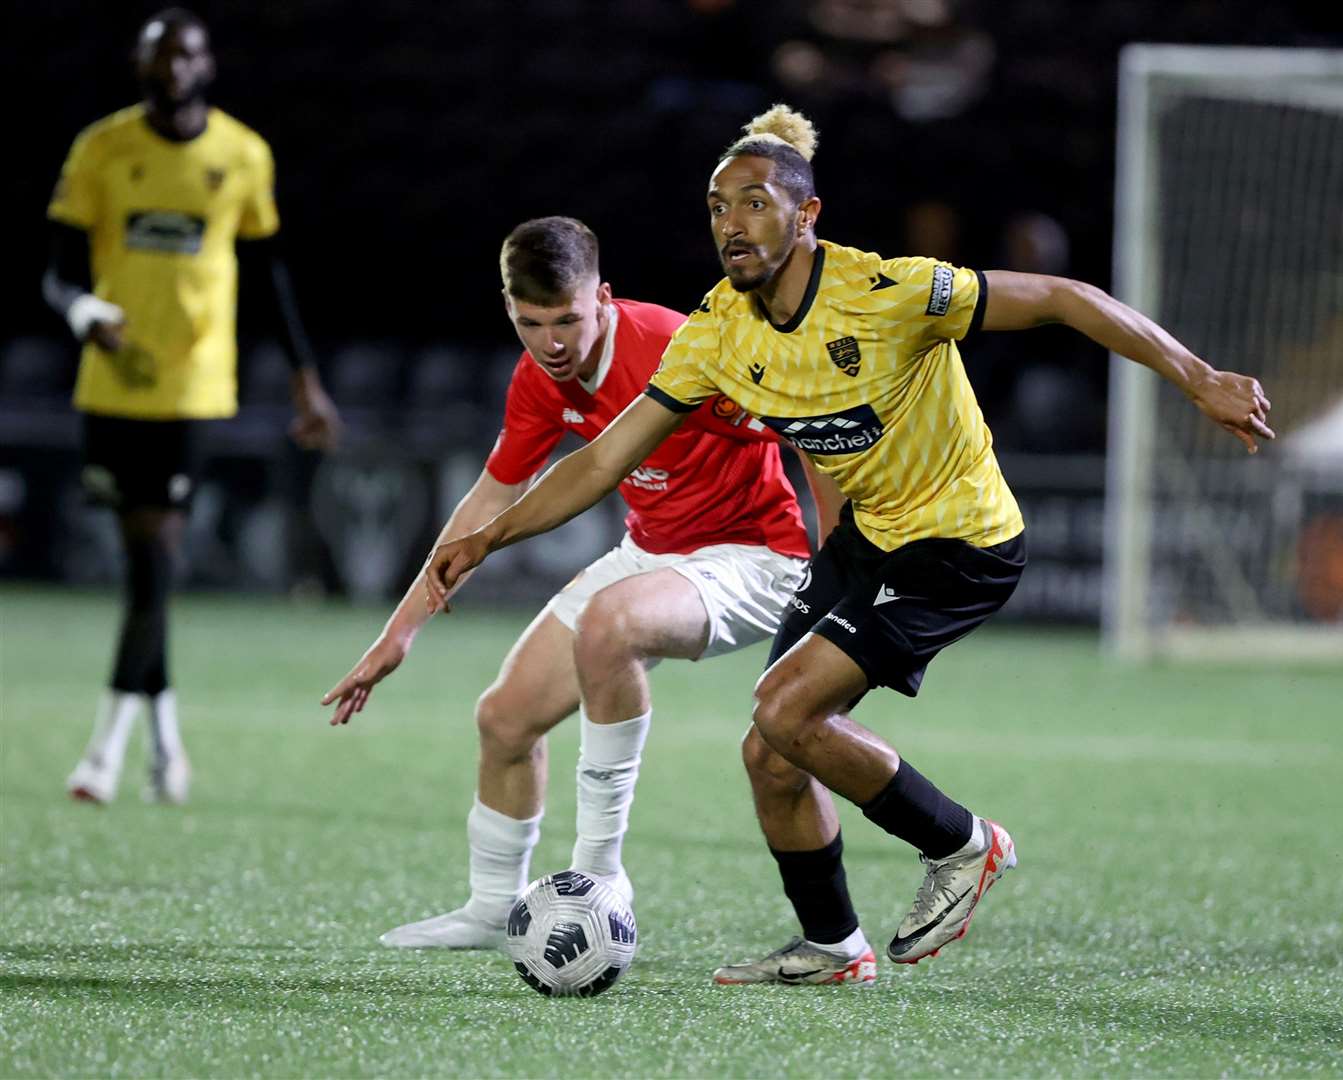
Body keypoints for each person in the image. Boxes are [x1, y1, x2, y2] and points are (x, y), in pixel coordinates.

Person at [421, 105, 1274, 986]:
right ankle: (834, 944)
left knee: (788, 713)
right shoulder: (718, 331)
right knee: (770, 747)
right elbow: (602, 459)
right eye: (718, 207)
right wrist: (491, 534)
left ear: (806, 214)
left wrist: (1198, 376)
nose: (731, 223)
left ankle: (964, 844)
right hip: (866, 540)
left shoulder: (891, 293)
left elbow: (1064, 298)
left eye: (754, 203)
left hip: (960, 540)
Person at [321, 216, 843, 952]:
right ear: (510, 311)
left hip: (755, 555)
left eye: (567, 318)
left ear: (603, 296)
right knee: (504, 720)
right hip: (650, 553)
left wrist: (838, 562)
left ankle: (600, 875)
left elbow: (812, 424)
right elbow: (486, 504)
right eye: (531, 323)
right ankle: (492, 908)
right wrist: (398, 632)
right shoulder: (537, 379)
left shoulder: (674, 344)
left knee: (611, 623)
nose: (553, 342)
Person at [44, 8, 341, 806]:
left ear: (206, 65)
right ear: (140, 66)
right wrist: (83, 314)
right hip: (111, 387)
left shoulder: (241, 154)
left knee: (152, 562)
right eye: (158, 55)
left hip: (193, 387)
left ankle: (104, 752)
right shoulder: (101, 149)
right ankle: (168, 744)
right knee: (147, 570)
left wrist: (303, 375)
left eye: (185, 55)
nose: (172, 67)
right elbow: (58, 272)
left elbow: (270, 272)